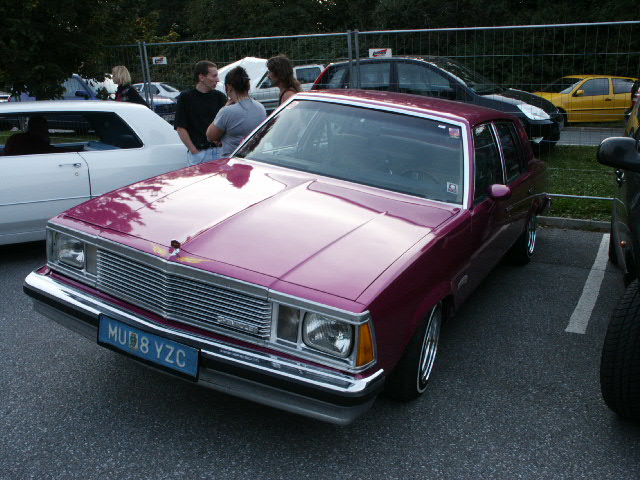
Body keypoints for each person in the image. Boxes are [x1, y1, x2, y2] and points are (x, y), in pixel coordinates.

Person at [174, 60, 228, 166]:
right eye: (214, 76)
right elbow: (180, 127)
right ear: (202, 77)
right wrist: (194, 151)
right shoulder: (186, 98)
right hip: (200, 153)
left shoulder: (219, 97)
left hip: (220, 151)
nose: (217, 80)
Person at [205, 66, 266, 158]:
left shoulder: (227, 111)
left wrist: (225, 107)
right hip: (253, 157)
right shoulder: (260, 108)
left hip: (232, 159)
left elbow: (210, 136)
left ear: (229, 87)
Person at [4, 116, 77, 156]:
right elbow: (50, 151)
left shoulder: (15, 138)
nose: (47, 131)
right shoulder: (36, 142)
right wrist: (74, 151)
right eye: (45, 128)